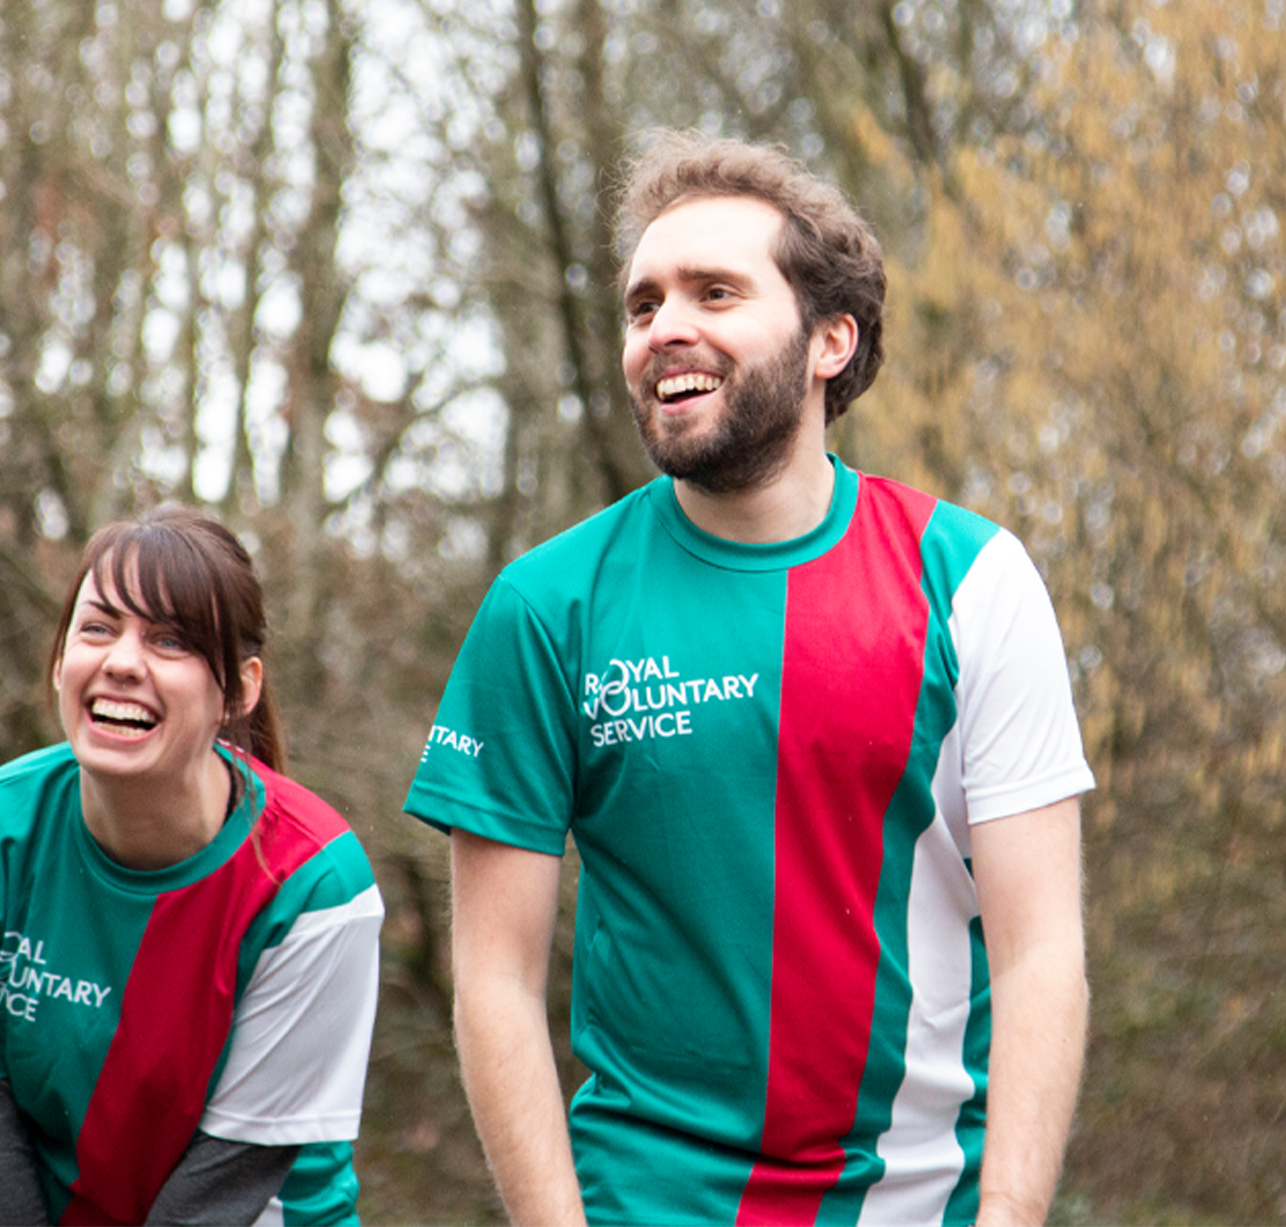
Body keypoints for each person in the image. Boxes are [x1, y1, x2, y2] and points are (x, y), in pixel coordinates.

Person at [404, 133, 1094, 1226]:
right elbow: (493, 979)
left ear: (830, 339)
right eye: (643, 304)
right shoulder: (545, 607)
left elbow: (1041, 948)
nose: (664, 327)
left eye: (714, 291)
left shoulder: (975, 584)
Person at [0, 505, 383, 1226]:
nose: (123, 662)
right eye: (98, 628)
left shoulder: (315, 885)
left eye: (170, 640)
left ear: (240, 688)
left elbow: (220, 1199)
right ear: (59, 664)